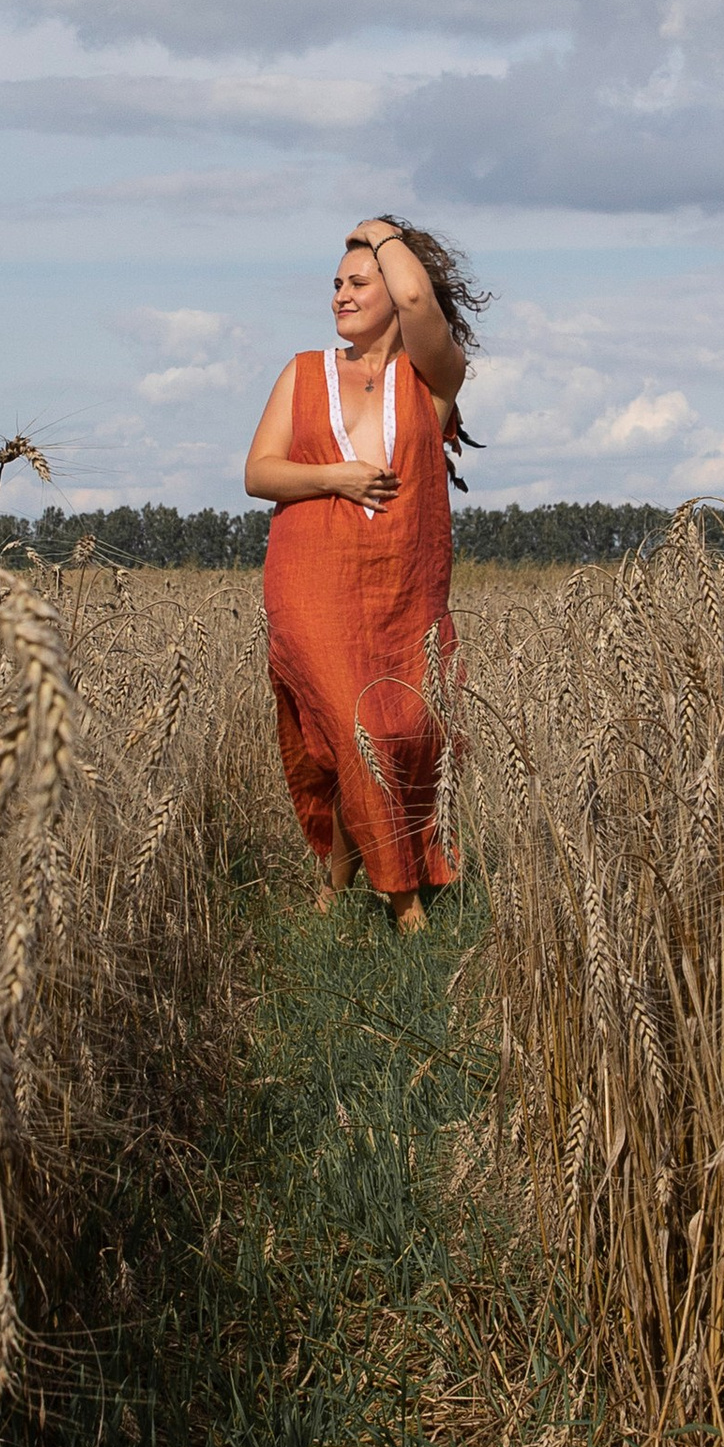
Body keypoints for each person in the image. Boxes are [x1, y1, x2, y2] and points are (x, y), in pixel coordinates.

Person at [242, 215, 485, 930]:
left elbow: (418, 304)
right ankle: (404, 899)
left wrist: (379, 229)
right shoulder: (303, 371)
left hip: (403, 585)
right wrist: (337, 478)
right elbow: (259, 472)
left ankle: (340, 868)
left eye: (358, 282)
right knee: (353, 726)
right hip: (312, 576)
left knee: (400, 726)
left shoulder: (432, 377)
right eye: (335, 285)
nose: (340, 296)